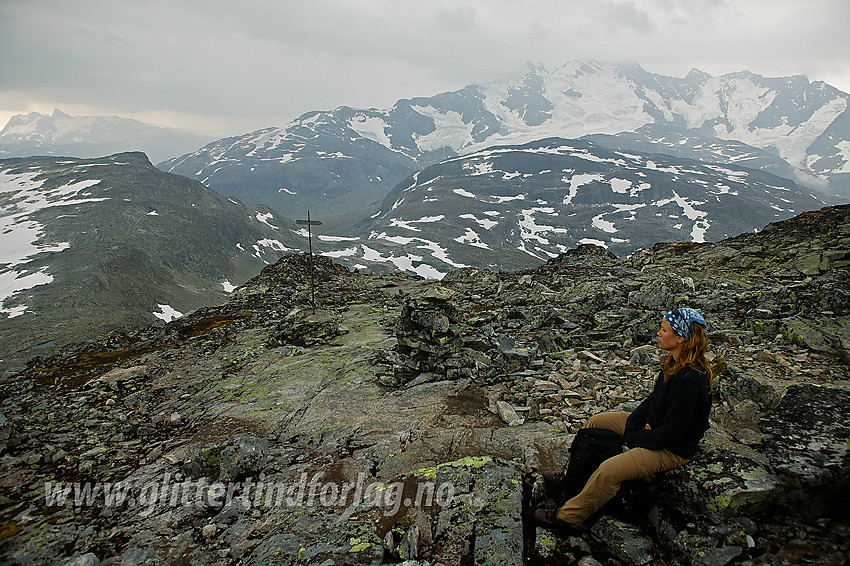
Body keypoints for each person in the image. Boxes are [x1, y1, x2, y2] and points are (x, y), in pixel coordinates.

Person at [534, 307, 713, 530]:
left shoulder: (690, 381)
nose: (658, 333)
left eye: (664, 330)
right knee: (595, 423)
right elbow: (654, 399)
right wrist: (633, 423)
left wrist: (635, 437)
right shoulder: (675, 362)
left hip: (672, 449)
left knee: (609, 471)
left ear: (680, 338)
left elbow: (672, 434)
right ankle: (573, 480)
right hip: (655, 427)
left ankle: (568, 518)